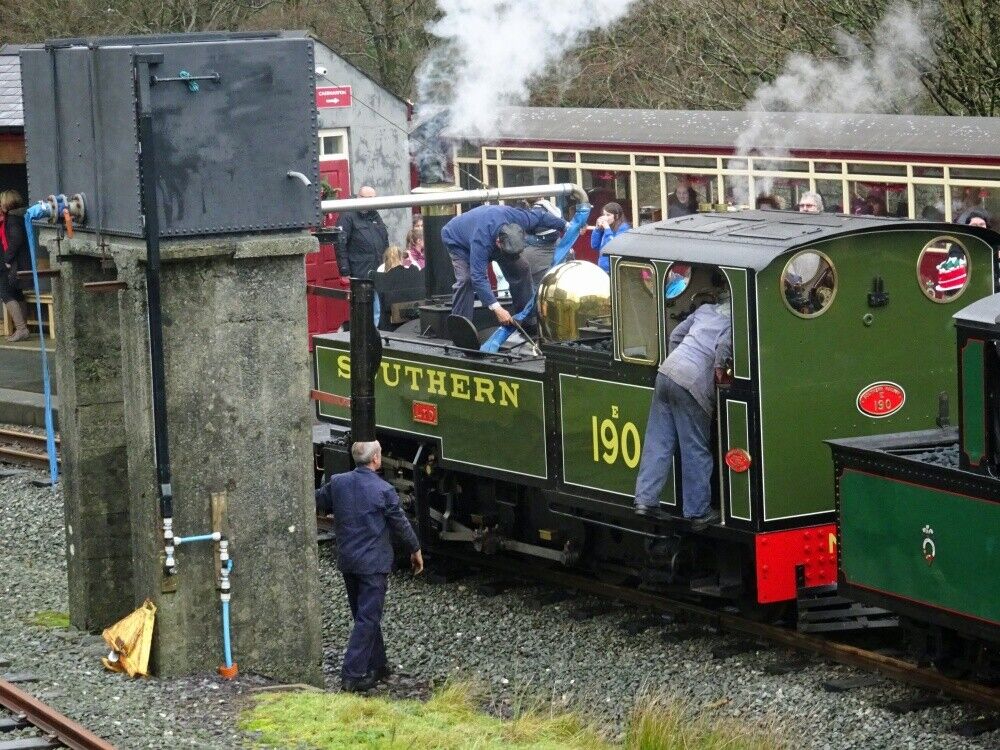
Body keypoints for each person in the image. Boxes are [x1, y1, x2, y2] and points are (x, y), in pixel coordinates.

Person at [315, 440, 423, 693]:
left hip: (348, 562)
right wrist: (415, 550)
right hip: (373, 565)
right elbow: (401, 525)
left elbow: (318, 499)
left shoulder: (339, 482)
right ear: (375, 459)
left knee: (363, 615)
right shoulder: (383, 490)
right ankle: (351, 675)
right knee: (367, 618)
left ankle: (379, 665)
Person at [634, 296, 732, 529]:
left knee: (657, 441)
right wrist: (720, 376)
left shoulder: (706, 310)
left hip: (667, 371)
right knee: (695, 448)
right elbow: (723, 348)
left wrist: (676, 363)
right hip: (692, 382)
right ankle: (698, 512)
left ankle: (645, 500)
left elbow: (675, 335)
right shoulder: (732, 322)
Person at [441, 202, 567, 326]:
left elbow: (541, 216)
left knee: (521, 267)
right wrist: (497, 308)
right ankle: (460, 326)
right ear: (498, 242)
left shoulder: (517, 217)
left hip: (490, 230)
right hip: (457, 240)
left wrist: (566, 225)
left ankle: (526, 318)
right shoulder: (481, 241)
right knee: (466, 279)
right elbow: (478, 277)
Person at [334, 186, 389, 281]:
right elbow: (340, 244)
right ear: (360, 197)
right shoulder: (347, 215)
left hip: (380, 269)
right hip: (360, 270)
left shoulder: (374, 214)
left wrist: (389, 263)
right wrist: (345, 270)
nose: (373, 202)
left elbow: (384, 238)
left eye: (374, 198)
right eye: (370, 199)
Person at [0, 190, 30, 342]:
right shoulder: (17, 217)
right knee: (17, 293)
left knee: (6, 293)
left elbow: (16, 239)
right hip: (17, 262)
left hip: (12, 263)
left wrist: (7, 258)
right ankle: (23, 328)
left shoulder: (12, 219)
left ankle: (21, 329)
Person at [522, 198, 565, 287]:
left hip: (536, 263)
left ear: (526, 201)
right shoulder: (552, 209)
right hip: (554, 258)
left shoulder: (533, 213)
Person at [591, 202, 631, 274]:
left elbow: (613, 247)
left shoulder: (624, 228)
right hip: (603, 268)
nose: (605, 217)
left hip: (615, 269)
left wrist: (607, 228)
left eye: (608, 215)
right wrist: (597, 229)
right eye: (604, 215)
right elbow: (595, 245)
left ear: (617, 216)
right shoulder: (607, 228)